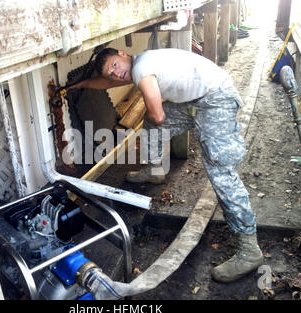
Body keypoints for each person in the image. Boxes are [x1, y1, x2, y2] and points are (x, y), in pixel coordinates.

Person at [68, 47, 264, 283]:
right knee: (150, 124)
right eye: (111, 73)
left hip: (215, 100)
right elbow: (107, 84)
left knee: (220, 172)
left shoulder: (141, 68)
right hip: (199, 99)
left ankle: (249, 250)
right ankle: (155, 171)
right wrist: (82, 85)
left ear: (122, 53)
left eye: (115, 66)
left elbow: (160, 115)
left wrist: (153, 106)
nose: (115, 74)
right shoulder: (138, 63)